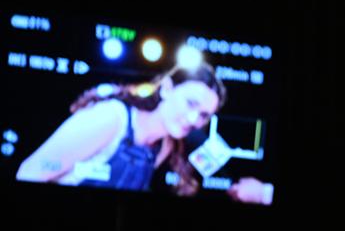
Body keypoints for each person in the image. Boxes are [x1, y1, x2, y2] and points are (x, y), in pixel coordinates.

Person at [14, 63, 225, 196]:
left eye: (204, 115)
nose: (193, 119)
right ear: (167, 89)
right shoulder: (111, 117)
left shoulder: (164, 145)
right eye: (190, 103)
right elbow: (31, 172)